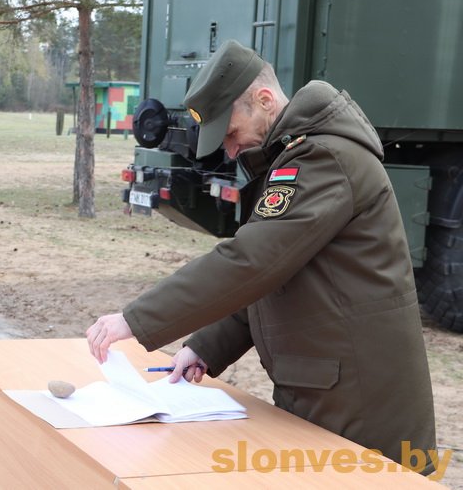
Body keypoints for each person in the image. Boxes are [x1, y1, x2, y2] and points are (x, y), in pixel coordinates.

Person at [86, 39, 437, 474]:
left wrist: (135, 319)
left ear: (265, 101)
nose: (231, 151)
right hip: (328, 391)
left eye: (231, 134)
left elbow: (252, 261)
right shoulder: (297, 156)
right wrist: (206, 346)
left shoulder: (324, 158)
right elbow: (275, 276)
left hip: (360, 406)